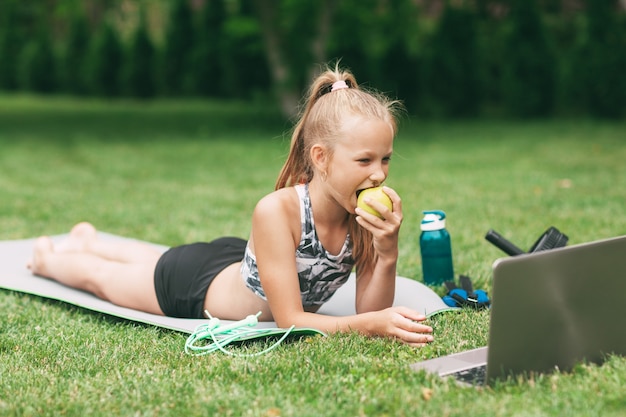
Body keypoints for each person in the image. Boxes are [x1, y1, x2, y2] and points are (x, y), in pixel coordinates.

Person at [28, 64, 434, 346]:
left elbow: (372, 309)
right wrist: (367, 327)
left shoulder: (365, 216)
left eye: (385, 159)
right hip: (195, 288)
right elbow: (290, 321)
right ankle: (52, 259)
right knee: (104, 279)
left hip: (235, 265)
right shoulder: (277, 211)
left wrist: (387, 252)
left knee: (156, 257)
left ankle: (92, 238)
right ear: (320, 158)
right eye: (364, 160)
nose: (378, 174)